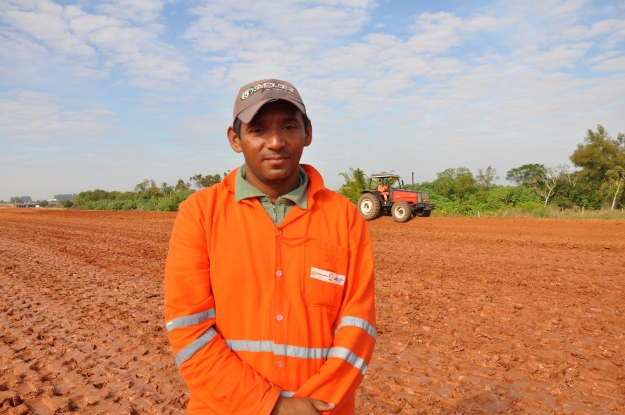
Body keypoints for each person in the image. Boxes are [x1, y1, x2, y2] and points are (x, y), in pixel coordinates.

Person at [164, 79, 376, 415]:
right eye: (258, 129)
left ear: (307, 133)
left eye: (289, 126)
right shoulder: (200, 214)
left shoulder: (344, 217)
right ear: (236, 139)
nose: (275, 142)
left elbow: (358, 326)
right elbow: (190, 331)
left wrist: (311, 405)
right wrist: (273, 406)